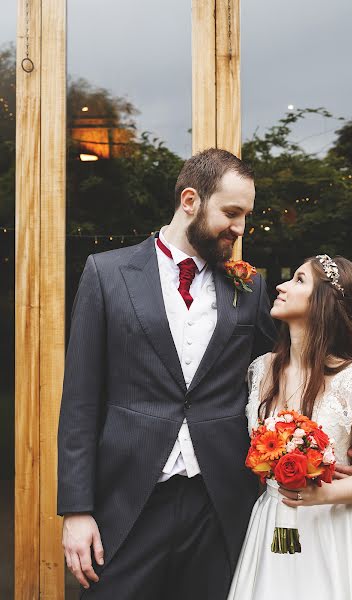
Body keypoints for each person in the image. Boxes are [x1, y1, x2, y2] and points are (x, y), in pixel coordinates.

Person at [57, 148, 277, 600]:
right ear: (190, 200)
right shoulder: (107, 273)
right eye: (231, 213)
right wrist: (76, 510)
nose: (240, 229)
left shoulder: (249, 287)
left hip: (219, 502)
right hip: (129, 501)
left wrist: (336, 432)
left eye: (246, 216)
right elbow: (80, 400)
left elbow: (287, 370)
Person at [228, 255, 352, 600]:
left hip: (332, 529)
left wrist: (322, 494)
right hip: (271, 522)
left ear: (322, 303)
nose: (281, 286)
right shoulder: (261, 371)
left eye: (298, 280)